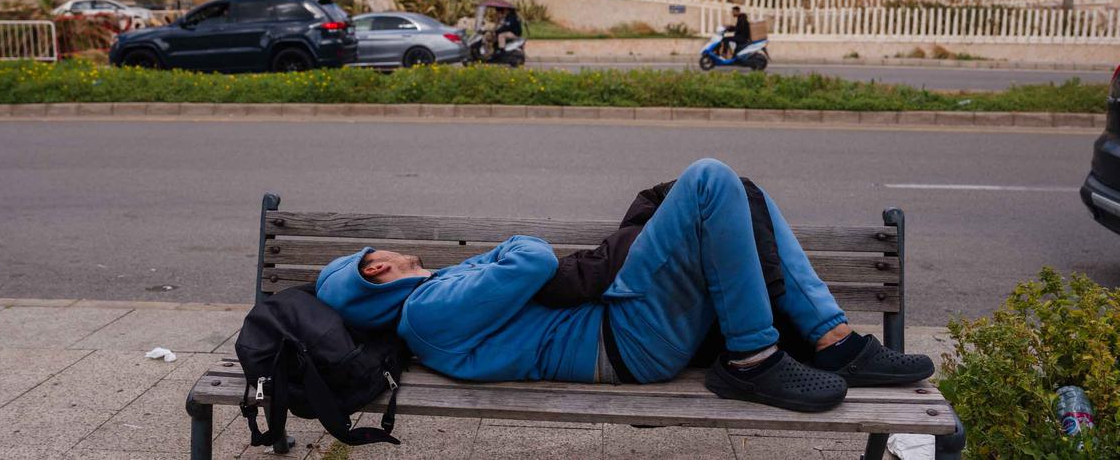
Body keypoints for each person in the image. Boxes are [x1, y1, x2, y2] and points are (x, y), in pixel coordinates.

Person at [316, 159, 934, 413]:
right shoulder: (425, 311)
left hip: (630, 330)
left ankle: (836, 341)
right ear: (375, 271)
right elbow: (530, 260)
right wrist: (502, 247)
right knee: (709, 179)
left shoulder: (433, 303)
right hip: (626, 340)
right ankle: (753, 358)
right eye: (379, 251)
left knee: (741, 191)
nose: (392, 248)